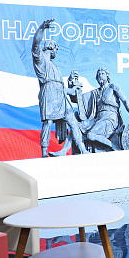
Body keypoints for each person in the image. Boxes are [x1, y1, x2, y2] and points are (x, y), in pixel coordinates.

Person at [32, 19, 88, 157]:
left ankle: (82, 149)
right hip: (49, 95)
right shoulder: (41, 60)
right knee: (48, 122)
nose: (56, 52)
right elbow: (35, 44)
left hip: (60, 97)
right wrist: (41, 28)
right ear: (51, 47)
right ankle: (44, 152)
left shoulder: (55, 66)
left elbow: (61, 87)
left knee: (73, 122)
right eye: (56, 49)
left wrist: (71, 82)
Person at [79, 67, 129, 151]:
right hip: (97, 120)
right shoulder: (95, 92)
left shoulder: (113, 86)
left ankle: (113, 146)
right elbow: (80, 98)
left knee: (90, 135)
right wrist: (72, 84)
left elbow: (125, 101)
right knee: (79, 129)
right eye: (98, 75)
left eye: (102, 74)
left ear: (107, 76)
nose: (100, 76)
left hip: (110, 119)